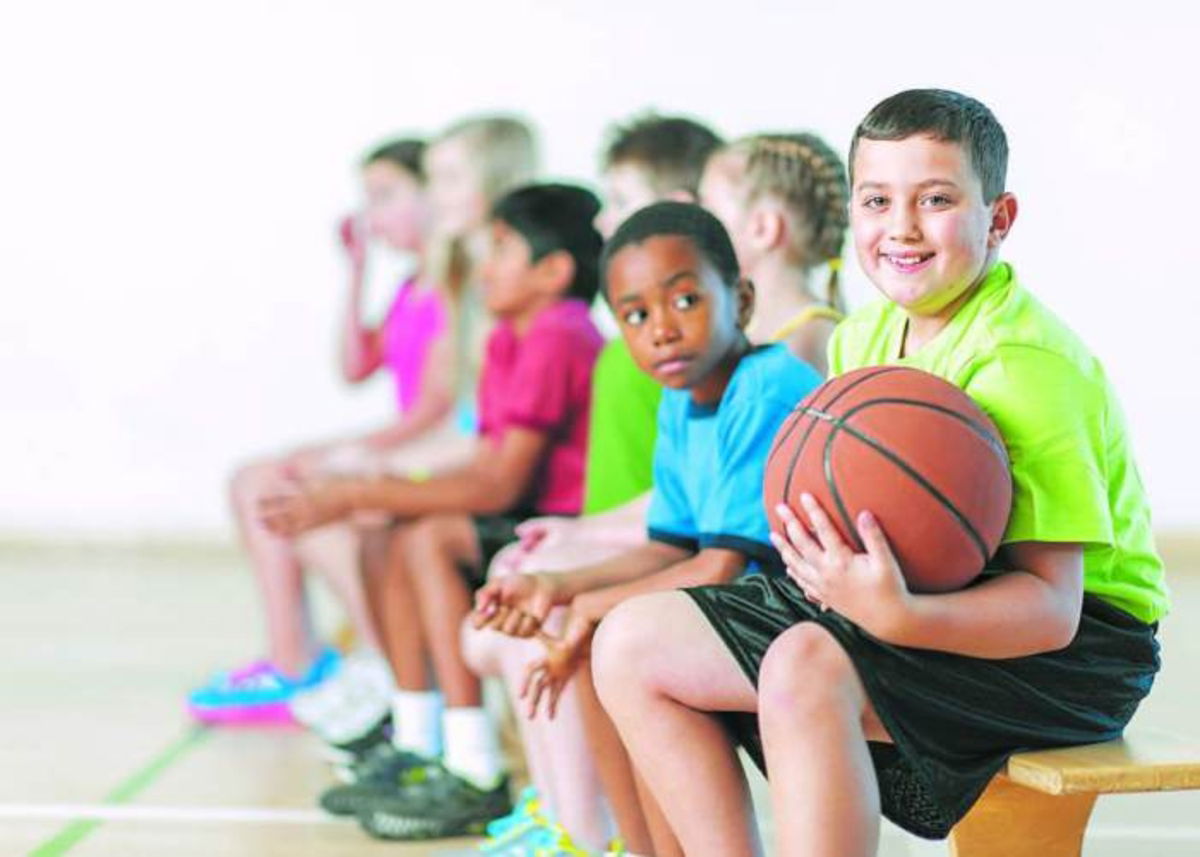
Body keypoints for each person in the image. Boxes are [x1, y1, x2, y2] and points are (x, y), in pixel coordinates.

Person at [593, 89, 1168, 857]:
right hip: (913, 598)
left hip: (1076, 649)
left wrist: (898, 617)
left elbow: (1052, 609)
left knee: (804, 661)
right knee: (631, 642)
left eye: (935, 199)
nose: (900, 226)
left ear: (998, 218)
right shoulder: (861, 336)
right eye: (877, 199)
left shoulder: (1025, 365)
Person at [260, 183, 606, 842]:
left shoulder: (559, 333)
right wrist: (376, 486)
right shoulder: (511, 333)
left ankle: (474, 765)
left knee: (426, 536)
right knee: (385, 526)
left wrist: (359, 489)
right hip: (518, 510)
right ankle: (421, 738)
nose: (484, 264)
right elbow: (483, 456)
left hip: (557, 524)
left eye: (501, 248)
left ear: (553, 271)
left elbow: (502, 486)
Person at [475, 202, 822, 855]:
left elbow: (721, 565)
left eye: (685, 300)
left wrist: (586, 605)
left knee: (609, 637)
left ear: (741, 300)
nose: (661, 329)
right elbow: (668, 546)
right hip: (750, 609)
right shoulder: (681, 399)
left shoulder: (764, 389)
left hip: (806, 620)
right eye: (636, 315)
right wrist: (551, 583)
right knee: (590, 635)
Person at [457, 114, 724, 855]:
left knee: (566, 618)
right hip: (654, 546)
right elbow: (671, 502)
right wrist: (576, 536)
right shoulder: (642, 353)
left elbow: (701, 529)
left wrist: (584, 556)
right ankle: (565, 819)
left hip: (701, 574)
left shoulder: (684, 358)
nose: (604, 216)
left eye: (618, 197)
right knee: (527, 602)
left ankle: (582, 830)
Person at [187, 138, 442, 725]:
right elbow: (355, 367)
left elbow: (434, 411)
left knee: (276, 490)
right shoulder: (411, 288)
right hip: (406, 443)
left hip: (425, 451)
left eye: (385, 196)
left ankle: (366, 663)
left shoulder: (453, 293)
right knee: (267, 485)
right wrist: (357, 273)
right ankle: (305, 659)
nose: (371, 213)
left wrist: (338, 457)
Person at [700, 132, 848, 375]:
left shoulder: (806, 343)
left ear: (763, 229)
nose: (699, 222)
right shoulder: (747, 327)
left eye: (709, 209)